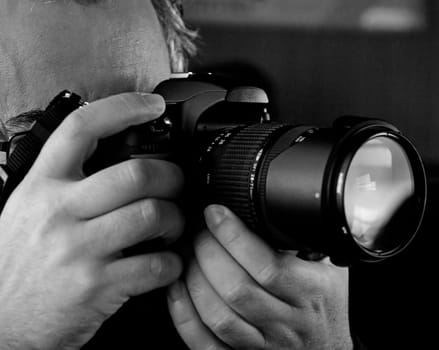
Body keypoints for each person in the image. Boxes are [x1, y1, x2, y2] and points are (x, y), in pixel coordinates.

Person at [0, 0, 353, 349]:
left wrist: (329, 344)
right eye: (52, 136)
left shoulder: (267, 279)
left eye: (146, 126)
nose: (127, 174)